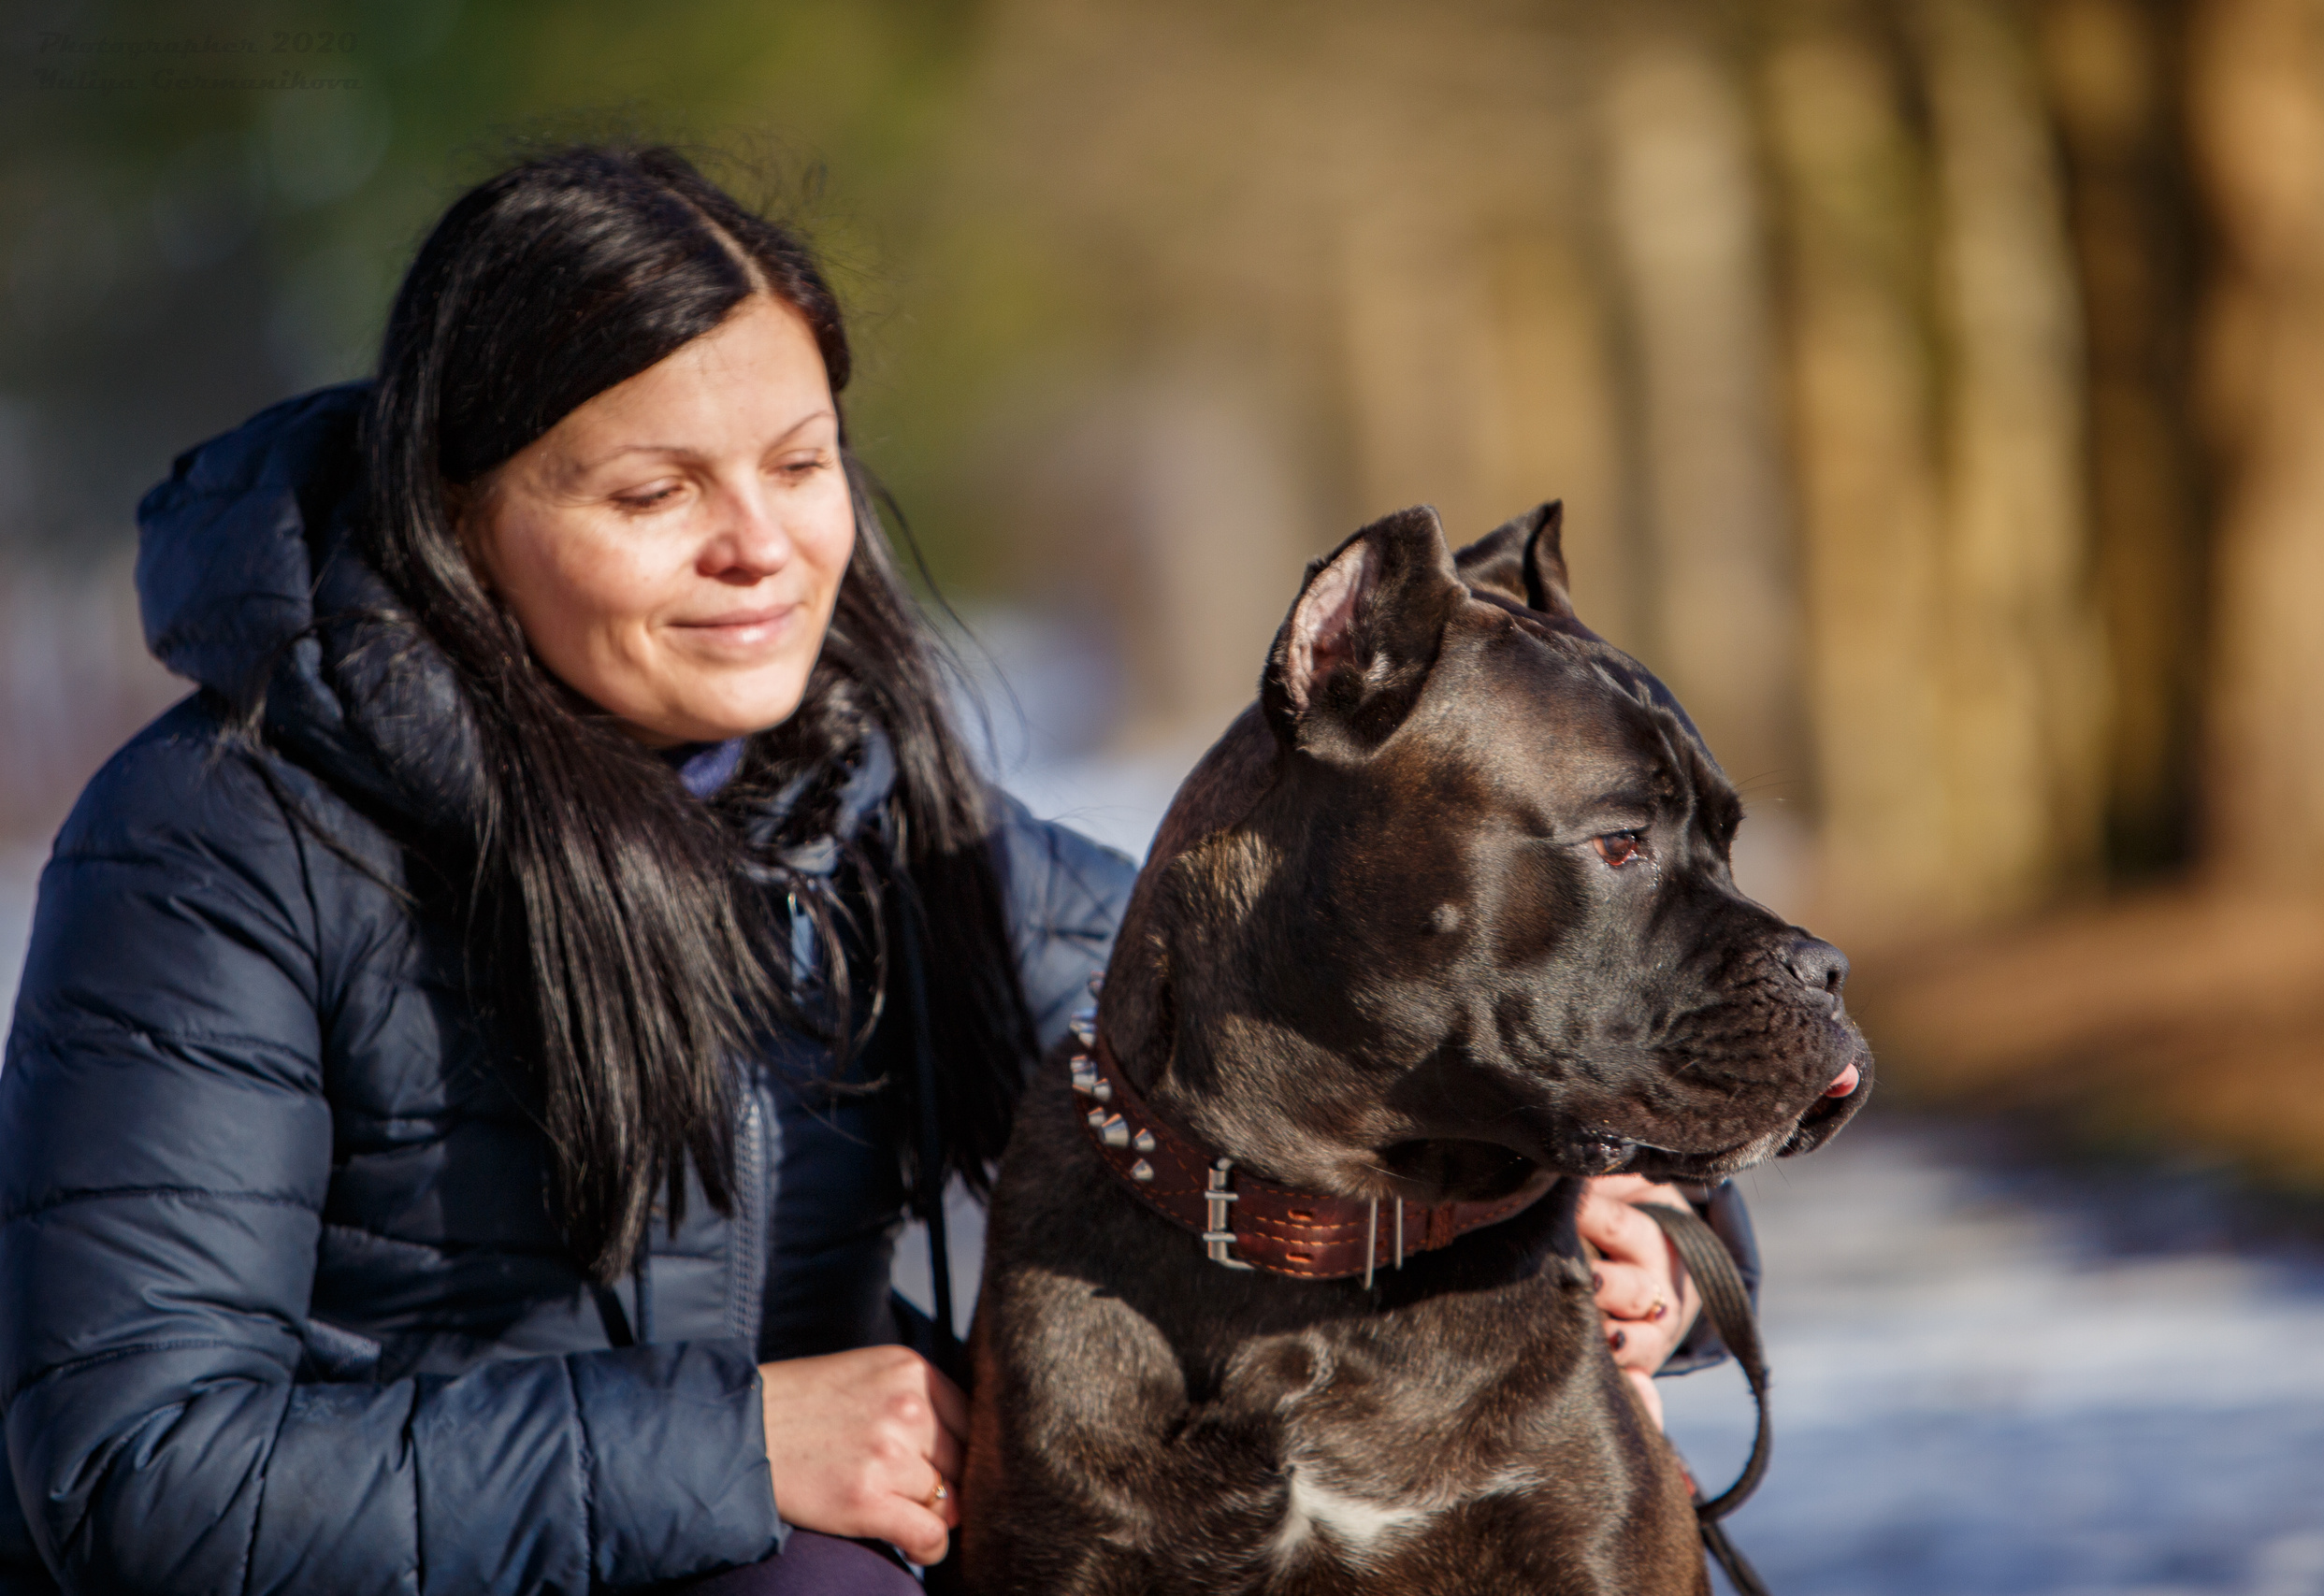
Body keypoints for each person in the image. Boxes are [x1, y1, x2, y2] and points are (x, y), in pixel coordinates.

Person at [0, 146, 1748, 1595]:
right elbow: (137, 1471)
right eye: (650, 492)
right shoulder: (211, 847)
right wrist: (745, 1441)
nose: (760, 547)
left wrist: (1632, 1217)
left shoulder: (870, 817)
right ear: (460, 516)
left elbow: (1300, 1036)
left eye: (799, 462)